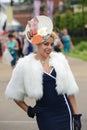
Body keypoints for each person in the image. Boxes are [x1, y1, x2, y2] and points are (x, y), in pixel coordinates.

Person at [5, 16, 82, 130]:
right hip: (45, 116)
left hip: (65, 112)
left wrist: (76, 115)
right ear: (37, 43)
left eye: (51, 44)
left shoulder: (60, 61)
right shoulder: (25, 65)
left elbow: (70, 91)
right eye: (46, 44)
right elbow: (14, 93)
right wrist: (28, 109)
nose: (49, 48)